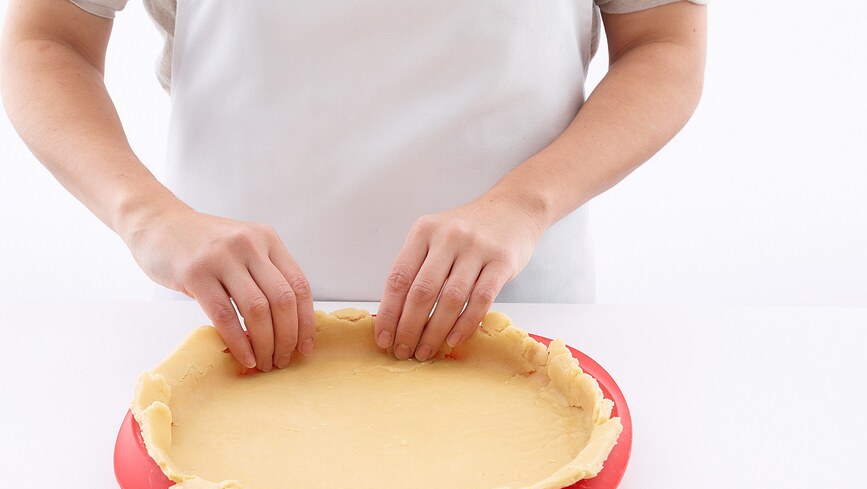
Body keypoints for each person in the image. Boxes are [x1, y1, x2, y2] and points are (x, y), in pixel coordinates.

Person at [1, 0, 707, 371]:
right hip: (225, 324)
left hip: (510, 315)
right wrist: (147, 218)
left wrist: (524, 205)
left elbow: (663, 42)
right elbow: (47, 37)